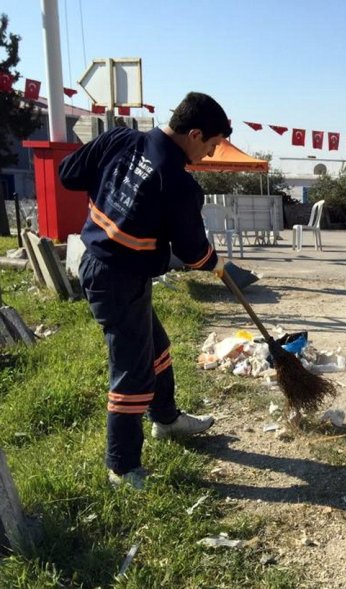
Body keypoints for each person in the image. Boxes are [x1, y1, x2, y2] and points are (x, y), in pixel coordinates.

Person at [59, 92, 232, 489]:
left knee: (157, 347)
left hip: (103, 265)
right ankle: (122, 468)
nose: (208, 155)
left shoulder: (119, 139)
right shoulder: (177, 181)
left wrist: (110, 194)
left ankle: (167, 420)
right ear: (194, 133)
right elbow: (191, 250)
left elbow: (70, 173)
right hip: (117, 278)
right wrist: (214, 262)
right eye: (210, 145)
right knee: (132, 372)